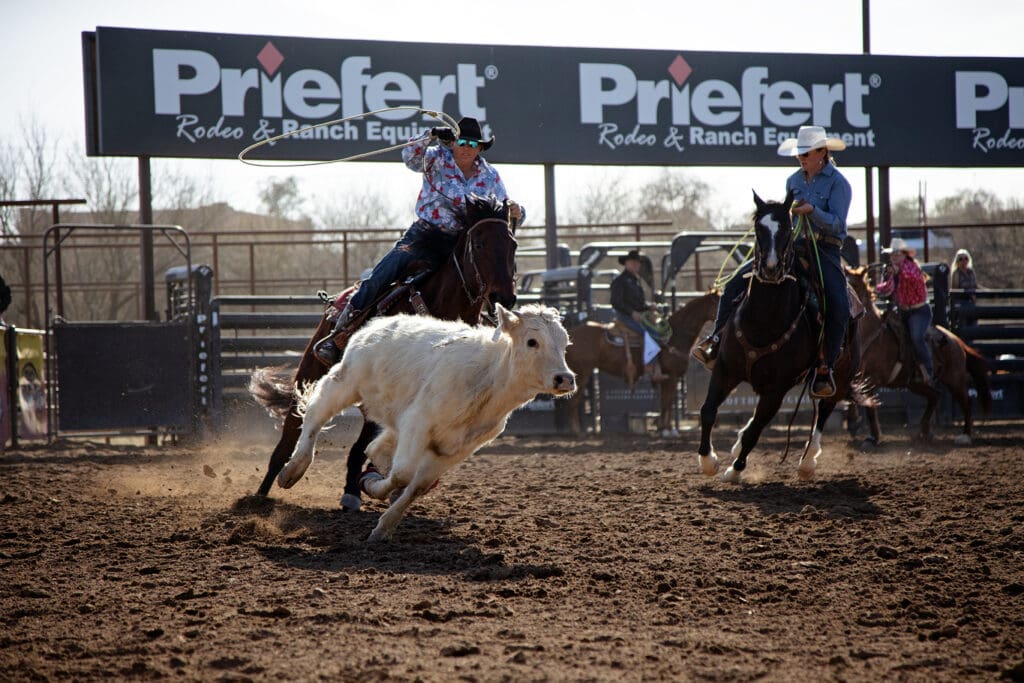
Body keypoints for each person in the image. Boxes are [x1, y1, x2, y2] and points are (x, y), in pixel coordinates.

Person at [314, 116, 524, 365]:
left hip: (464, 244)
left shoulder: (490, 175)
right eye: (462, 141)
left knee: (495, 276)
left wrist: (516, 211)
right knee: (381, 275)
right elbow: (410, 157)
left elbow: (503, 211)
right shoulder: (436, 157)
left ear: (480, 147)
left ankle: (499, 337)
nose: (467, 147)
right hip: (425, 235)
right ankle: (340, 332)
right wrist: (431, 135)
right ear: (453, 143)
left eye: (473, 143)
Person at [691, 125, 852, 398]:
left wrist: (812, 211)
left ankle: (825, 367)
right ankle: (716, 340)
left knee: (838, 304)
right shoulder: (793, 181)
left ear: (822, 152)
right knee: (734, 284)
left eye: (806, 152)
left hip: (825, 250)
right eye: (799, 153)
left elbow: (837, 225)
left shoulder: (838, 183)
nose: (801, 157)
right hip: (792, 247)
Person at [875, 237, 939, 388]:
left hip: (919, 311)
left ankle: (929, 371)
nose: (894, 257)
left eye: (897, 254)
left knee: (917, 337)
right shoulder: (895, 271)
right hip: (904, 311)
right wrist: (871, 290)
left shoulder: (912, 267)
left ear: (905, 255)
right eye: (893, 255)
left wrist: (898, 271)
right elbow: (888, 288)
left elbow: (911, 277)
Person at [610, 249, 666, 382]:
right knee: (650, 332)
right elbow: (616, 302)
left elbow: (637, 303)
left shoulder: (635, 281)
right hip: (624, 316)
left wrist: (648, 307)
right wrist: (631, 312)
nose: (636, 265)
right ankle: (649, 368)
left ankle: (655, 366)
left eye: (637, 263)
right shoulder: (620, 281)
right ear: (626, 263)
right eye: (633, 262)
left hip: (636, 315)